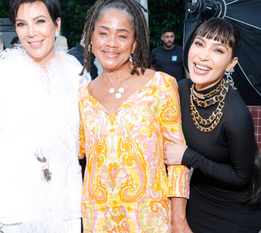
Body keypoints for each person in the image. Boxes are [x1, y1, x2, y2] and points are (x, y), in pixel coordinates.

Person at [0, 0, 90, 232]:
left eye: (40, 21)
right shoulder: (0, 76)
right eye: (22, 24)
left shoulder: (77, 76)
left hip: (66, 207)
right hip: (11, 210)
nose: (31, 33)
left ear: (57, 24)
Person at [78, 0, 190, 232]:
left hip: (149, 219)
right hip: (97, 219)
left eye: (122, 36)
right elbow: (76, 153)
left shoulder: (160, 85)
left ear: (134, 43)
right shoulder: (83, 94)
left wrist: (178, 220)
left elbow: (178, 162)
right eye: (103, 33)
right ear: (91, 38)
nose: (111, 43)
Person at [163, 18, 261, 232]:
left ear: (231, 63)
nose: (203, 55)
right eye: (199, 43)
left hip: (238, 208)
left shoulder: (236, 115)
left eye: (218, 50)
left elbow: (242, 177)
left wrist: (187, 156)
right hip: (201, 194)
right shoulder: (180, 90)